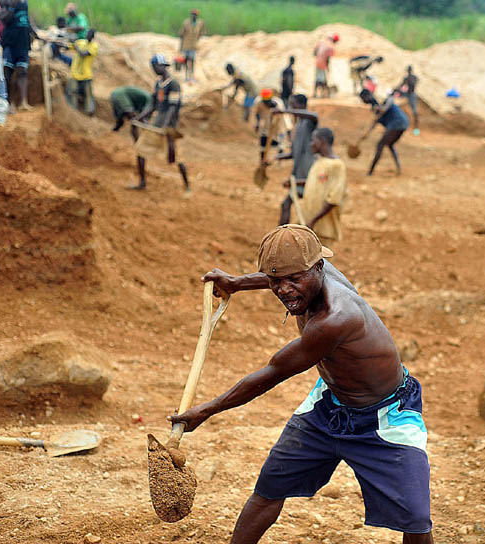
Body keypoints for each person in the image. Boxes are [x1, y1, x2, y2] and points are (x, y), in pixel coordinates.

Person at [169, 224, 434, 544]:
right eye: (275, 281)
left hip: (384, 416)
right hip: (328, 405)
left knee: (416, 518)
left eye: (294, 280)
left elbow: (272, 373)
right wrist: (237, 283)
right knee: (269, 488)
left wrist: (207, 410)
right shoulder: (310, 269)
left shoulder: (335, 318)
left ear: (319, 268)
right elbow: (284, 275)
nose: (284, 290)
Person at [127, 54, 190, 193]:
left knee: (178, 157)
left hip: (170, 127)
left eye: (156, 66)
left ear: (163, 66)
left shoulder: (173, 84)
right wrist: (139, 118)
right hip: (157, 124)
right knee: (141, 150)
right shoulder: (158, 84)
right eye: (153, 66)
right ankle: (142, 182)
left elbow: (173, 108)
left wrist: (165, 126)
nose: (154, 69)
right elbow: (153, 105)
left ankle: (187, 186)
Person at [268, 93, 317, 225]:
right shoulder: (298, 126)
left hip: (309, 172)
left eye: (293, 104)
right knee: (286, 204)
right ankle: (281, 237)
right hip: (298, 173)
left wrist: (283, 111)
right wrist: (274, 158)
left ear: (301, 105)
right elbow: (293, 153)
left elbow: (314, 116)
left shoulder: (309, 122)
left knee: (310, 211)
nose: (291, 107)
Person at [298, 128, 347, 245]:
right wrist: (295, 183)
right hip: (309, 225)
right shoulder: (319, 161)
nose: (311, 144)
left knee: (320, 260)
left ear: (322, 142)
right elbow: (315, 183)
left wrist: (313, 221)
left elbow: (334, 198)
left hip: (321, 228)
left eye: (313, 140)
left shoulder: (337, 166)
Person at [359, 89, 409, 176]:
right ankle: (398, 168)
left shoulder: (383, 100)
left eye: (363, 99)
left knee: (380, 144)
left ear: (366, 97)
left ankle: (371, 171)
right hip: (402, 124)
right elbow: (376, 120)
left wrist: (380, 108)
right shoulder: (375, 107)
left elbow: (386, 106)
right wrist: (367, 134)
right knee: (390, 144)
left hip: (397, 123)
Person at [0, 0, 38, 112]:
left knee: (22, 72)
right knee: (8, 73)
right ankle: (10, 103)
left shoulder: (24, 3)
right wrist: (12, 7)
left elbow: (26, 19)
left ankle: (23, 102)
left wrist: (34, 32)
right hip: (10, 42)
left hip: (23, 43)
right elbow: (4, 19)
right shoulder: (4, 2)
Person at [251, 88, 291, 164]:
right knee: (263, 144)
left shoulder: (278, 103)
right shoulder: (258, 101)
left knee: (280, 144)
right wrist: (257, 123)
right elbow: (257, 113)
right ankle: (262, 161)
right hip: (266, 127)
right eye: (264, 101)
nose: (266, 103)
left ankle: (279, 162)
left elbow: (282, 116)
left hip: (279, 127)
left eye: (267, 101)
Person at [65, 28, 97, 116]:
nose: (88, 35)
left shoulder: (94, 46)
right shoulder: (81, 42)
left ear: (93, 36)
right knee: (72, 92)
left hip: (86, 75)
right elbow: (67, 46)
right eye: (87, 34)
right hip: (75, 74)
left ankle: (89, 112)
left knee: (88, 95)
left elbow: (83, 54)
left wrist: (75, 46)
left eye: (90, 34)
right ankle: (73, 112)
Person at [179, 8, 204, 83]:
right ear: (191, 15)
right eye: (193, 14)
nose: (194, 16)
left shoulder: (200, 23)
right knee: (186, 61)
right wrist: (180, 46)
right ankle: (186, 76)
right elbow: (181, 34)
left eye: (195, 15)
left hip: (193, 46)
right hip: (186, 45)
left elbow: (200, 34)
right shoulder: (186, 23)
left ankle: (192, 77)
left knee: (192, 61)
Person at [313, 33, 337, 98]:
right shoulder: (331, 46)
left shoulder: (321, 42)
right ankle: (324, 94)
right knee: (322, 79)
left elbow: (314, 52)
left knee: (318, 78)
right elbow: (328, 58)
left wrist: (318, 57)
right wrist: (328, 67)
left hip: (317, 62)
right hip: (323, 64)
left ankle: (315, 93)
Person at [397, 65, 419, 135]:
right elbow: (401, 85)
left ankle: (416, 127)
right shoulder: (407, 78)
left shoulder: (413, 78)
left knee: (414, 111)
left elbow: (413, 84)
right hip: (407, 94)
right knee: (398, 104)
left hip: (411, 94)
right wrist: (397, 89)